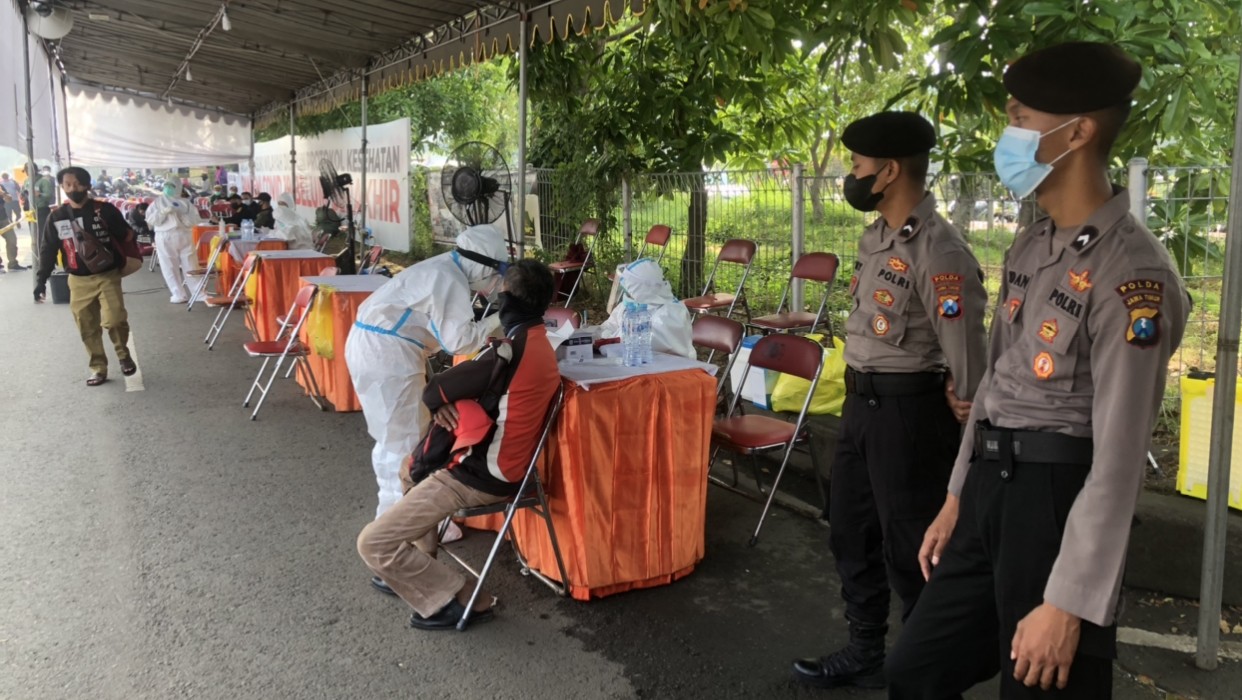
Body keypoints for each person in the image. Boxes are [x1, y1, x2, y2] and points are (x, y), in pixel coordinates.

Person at [885, 43, 1191, 699]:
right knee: (916, 669)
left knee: (1041, 688)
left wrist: (1070, 601)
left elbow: (1119, 456)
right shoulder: (1034, 239)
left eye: (1020, 116)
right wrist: (956, 496)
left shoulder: (1133, 273)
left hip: (1056, 499)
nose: (1008, 133)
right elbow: (996, 383)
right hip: (991, 486)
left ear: (1076, 132)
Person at [791, 111, 988, 690]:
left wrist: (965, 398)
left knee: (913, 553)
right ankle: (865, 648)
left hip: (909, 416)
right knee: (849, 530)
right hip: (860, 408)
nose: (850, 175)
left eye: (856, 166)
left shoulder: (941, 250)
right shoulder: (876, 236)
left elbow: (966, 354)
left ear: (890, 171)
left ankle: (929, 670)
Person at [357, 259, 559, 630]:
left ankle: (466, 597)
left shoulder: (506, 351)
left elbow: (436, 388)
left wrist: (444, 401)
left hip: (477, 476)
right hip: (497, 466)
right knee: (409, 469)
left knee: (373, 544)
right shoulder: (539, 345)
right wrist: (448, 400)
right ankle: (422, 567)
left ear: (503, 297)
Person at [345, 225, 508, 589]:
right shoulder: (449, 280)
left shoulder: (445, 268)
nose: (495, 282)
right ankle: (393, 545)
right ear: (484, 267)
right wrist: (503, 319)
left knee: (403, 438)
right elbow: (458, 340)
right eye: (497, 273)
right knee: (401, 448)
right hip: (388, 354)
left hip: (383, 348)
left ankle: (415, 527)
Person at [33, 167, 139, 386]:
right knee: (87, 326)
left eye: (77, 184)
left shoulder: (105, 210)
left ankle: (123, 354)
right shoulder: (57, 216)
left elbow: (127, 233)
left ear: (87, 185)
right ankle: (98, 368)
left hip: (107, 275)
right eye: (68, 185)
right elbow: (48, 249)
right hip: (78, 281)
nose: (73, 188)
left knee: (115, 319)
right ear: (62, 187)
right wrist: (41, 280)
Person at [598, 258, 694, 358]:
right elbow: (608, 326)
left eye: (630, 292)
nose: (628, 296)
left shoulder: (670, 314)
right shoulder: (631, 305)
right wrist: (601, 334)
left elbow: (627, 345)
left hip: (673, 370)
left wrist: (605, 337)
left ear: (641, 291)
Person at [146, 179, 199, 303]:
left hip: (184, 234)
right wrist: (163, 212)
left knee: (191, 264)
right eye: (167, 186)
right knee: (169, 266)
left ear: (179, 187)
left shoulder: (185, 203)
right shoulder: (157, 203)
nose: (169, 188)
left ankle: (199, 292)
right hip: (165, 235)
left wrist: (184, 218)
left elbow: (195, 219)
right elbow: (151, 220)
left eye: (172, 186)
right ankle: (178, 294)